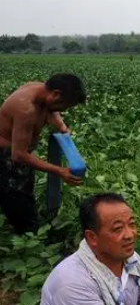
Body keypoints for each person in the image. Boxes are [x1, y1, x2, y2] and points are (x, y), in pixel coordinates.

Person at [0, 73, 86, 234]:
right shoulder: (25, 109)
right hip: (6, 156)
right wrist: (60, 171)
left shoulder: (40, 89)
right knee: (18, 200)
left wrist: (61, 126)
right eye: (65, 105)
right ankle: (28, 239)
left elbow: (51, 108)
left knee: (19, 193)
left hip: (18, 154)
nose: (64, 109)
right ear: (56, 94)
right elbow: (18, 154)